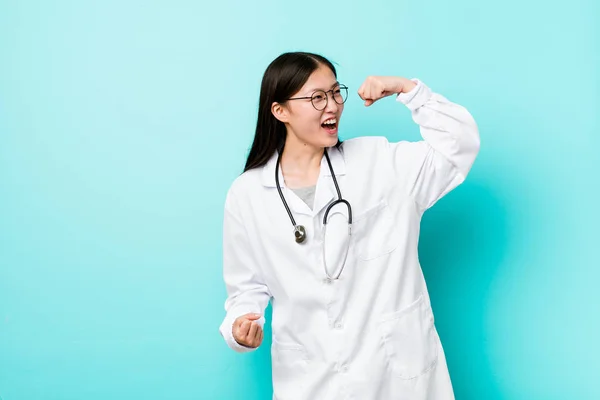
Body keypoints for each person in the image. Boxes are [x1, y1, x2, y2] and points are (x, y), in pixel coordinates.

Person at [218, 51, 480, 400]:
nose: (333, 106)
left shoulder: (381, 162)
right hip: (310, 380)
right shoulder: (247, 194)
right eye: (317, 98)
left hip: (395, 375)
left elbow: (459, 145)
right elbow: (245, 289)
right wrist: (240, 327)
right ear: (280, 111)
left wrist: (408, 90)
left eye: (334, 92)